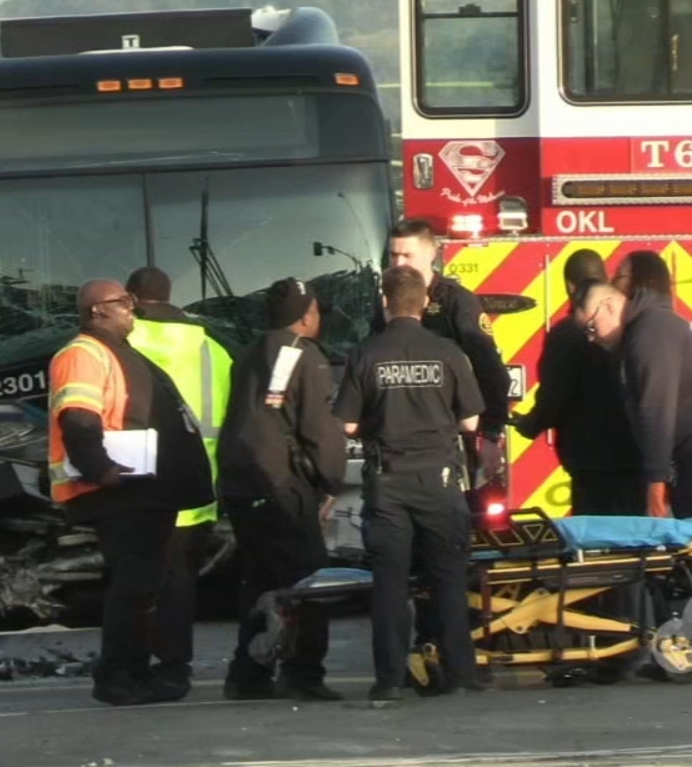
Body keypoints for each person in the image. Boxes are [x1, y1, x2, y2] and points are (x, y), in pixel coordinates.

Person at [47, 278, 216, 706]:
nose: (132, 308)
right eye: (123, 301)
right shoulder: (83, 353)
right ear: (97, 310)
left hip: (146, 493)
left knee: (144, 587)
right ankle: (116, 677)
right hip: (122, 493)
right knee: (133, 586)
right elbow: (78, 418)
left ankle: (136, 673)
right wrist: (102, 470)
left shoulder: (117, 351)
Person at [335, 265, 486, 704]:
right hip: (439, 479)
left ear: (385, 303)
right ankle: (460, 674)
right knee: (448, 579)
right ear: (424, 303)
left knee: (390, 584)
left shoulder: (365, 353)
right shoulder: (448, 352)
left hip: (388, 483)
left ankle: (389, 679)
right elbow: (471, 421)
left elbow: (346, 424)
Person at [216, 278, 348, 701]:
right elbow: (319, 429)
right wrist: (331, 481)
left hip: (240, 484)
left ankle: (248, 675)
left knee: (259, 582)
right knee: (310, 582)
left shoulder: (247, 353)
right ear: (305, 316)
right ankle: (302, 673)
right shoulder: (305, 356)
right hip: (281, 485)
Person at [122, 266, 234, 692]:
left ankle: (133, 665)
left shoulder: (122, 343)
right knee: (179, 581)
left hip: (140, 483)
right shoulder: (213, 349)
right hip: (198, 485)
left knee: (135, 580)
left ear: (131, 299)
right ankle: (174, 665)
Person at [575, 277, 692, 533]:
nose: (592, 338)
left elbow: (656, 407)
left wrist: (656, 481)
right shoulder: (649, 327)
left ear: (608, 305)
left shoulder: (649, 333)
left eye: (591, 327)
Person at [512, 249, 642, 515]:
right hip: (635, 453)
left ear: (570, 285)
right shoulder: (631, 327)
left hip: (592, 460)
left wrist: (529, 424)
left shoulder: (567, 333)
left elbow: (554, 394)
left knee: (596, 532)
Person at [383, 219, 510, 488]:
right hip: (399, 441)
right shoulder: (386, 302)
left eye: (407, 255)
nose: (398, 264)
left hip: (451, 438)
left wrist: (490, 435)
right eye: (393, 255)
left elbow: (491, 372)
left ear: (431, 253)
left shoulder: (456, 302)